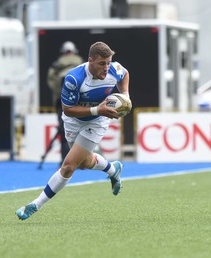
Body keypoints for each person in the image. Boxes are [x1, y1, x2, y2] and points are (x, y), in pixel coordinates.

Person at [16, 41, 130, 220]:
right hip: (73, 121)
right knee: (84, 163)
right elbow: (67, 109)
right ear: (90, 60)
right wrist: (96, 109)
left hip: (97, 122)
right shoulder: (74, 78)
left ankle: (35, 204)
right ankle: (112, 169)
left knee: (69, 165)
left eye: (108, 62)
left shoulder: (114, 70)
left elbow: (125, 75)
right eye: (101, 63)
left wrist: (125, 95)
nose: (106, 68)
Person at [47, 41, 84, 163]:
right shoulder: (80, 62)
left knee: (64, 129)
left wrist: (60, 94)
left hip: (61, 102)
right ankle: (81, 160)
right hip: (80, 101)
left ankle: (65, 159)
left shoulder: (57, 64)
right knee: (81, 129)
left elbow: (51, 81)